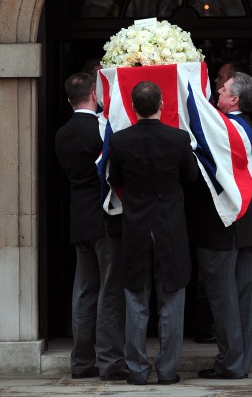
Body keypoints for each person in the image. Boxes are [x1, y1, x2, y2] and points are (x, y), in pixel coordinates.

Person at [108, 81, 198, 385]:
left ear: (134, 108)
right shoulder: (178, 138)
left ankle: (136, 370)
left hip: (136, 225)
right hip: (169, 224)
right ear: (161, 104)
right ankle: (168, 370)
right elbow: (191, 177)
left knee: (136, 297)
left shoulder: (120, 141)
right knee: (172, 298)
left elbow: (115, 178)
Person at [187, 72, 252, 379]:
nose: (218, 90)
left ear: (235, 99)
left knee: (224, 298)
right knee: (243, 297)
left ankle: (231, 364)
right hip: (246, 225)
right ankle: (241, 361)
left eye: (224, 88)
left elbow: (199, 122)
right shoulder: (251, 129)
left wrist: (188, 90)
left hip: (221, 228)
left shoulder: (225, 129)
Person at [55, 72, 128, 381]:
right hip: (104, 218)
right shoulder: (100, 129)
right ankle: (111, 362)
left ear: (69, 99)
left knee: (84, 291)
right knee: (109, 291)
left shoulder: (62, 133)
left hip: (79, 219)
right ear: (95, 95)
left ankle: (82, 362)